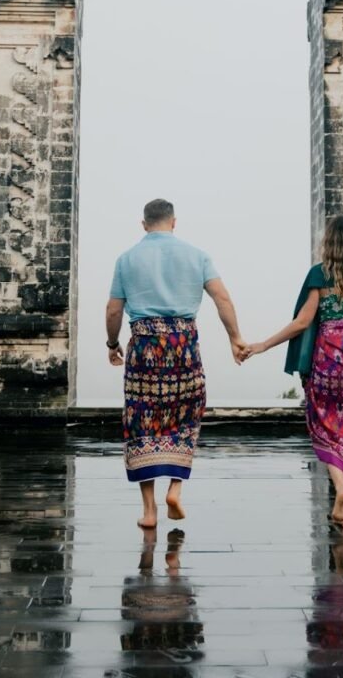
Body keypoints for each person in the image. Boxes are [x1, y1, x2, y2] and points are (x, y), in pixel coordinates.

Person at [242, 214, 343, 529]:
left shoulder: (319, 276)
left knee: (328, 428)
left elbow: (302, 323)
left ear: (329, 243)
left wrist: (264, 344)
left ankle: (340, 489)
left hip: (328, 362)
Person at [107, 198, 246, 528]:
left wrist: (112, 344)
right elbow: (221, 298)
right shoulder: (197, 255)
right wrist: (235, 337)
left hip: (143, 346)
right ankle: (175, 489)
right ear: (174, 222)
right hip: (183, 345)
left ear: (143, 224)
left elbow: (113, 309)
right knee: (186, 412)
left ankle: (149, 511)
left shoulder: (126, 259)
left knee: (142, 419)